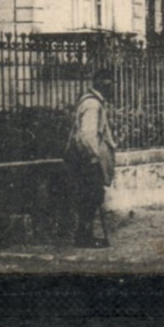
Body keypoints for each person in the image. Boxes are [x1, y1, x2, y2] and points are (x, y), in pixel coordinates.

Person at [65, 72, 117, 248]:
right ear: (101, 85)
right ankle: (83, 237)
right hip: (86, 158)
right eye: (108, 84)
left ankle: (84, 235)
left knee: (91, 196)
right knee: (91, 196)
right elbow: (87, 135)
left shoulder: (92, 102)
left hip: (83, 157)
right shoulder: (92, 105)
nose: (111, 88)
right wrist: (94, 158)